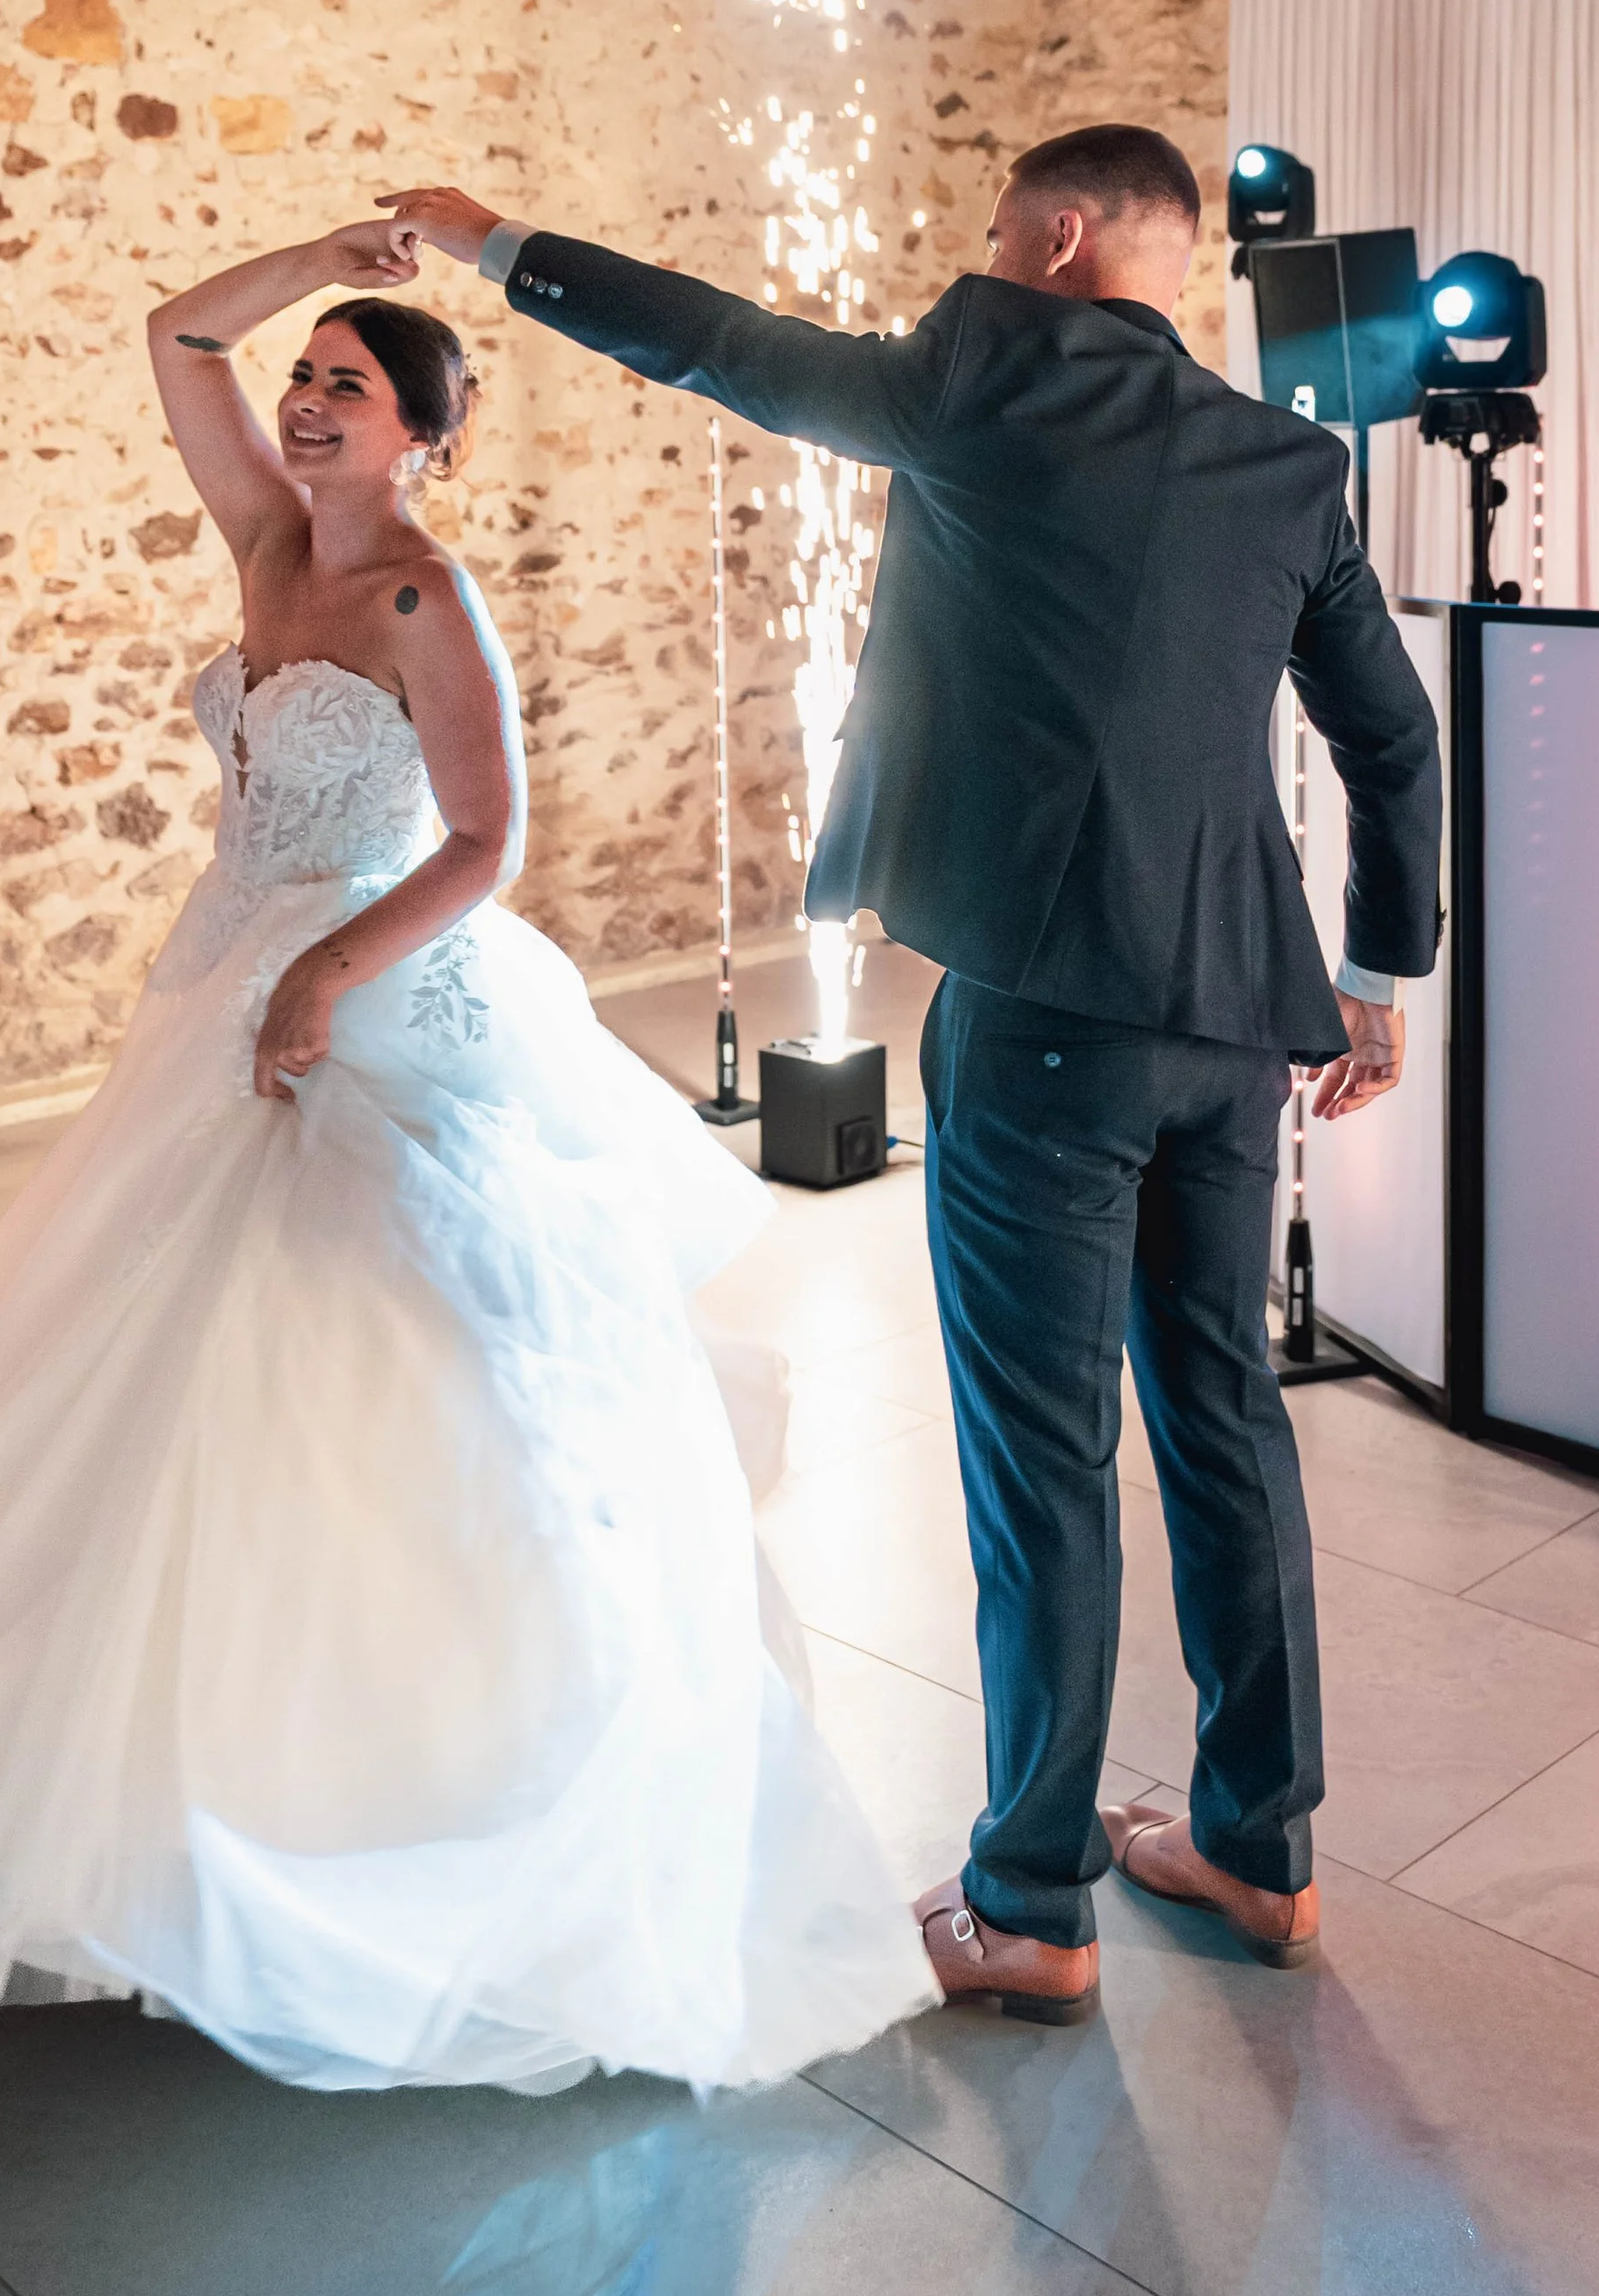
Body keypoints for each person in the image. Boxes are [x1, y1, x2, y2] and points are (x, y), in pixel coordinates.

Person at [0, 225, 937, 2093]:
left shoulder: (422, 601)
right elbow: (175, 332)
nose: (309, 402)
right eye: (309, 377)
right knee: (144, 1359)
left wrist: (324, 972)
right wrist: (326, 258)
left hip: (381, 989)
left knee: (398, 1342)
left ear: (423, 440)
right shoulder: (262, 540)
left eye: (349, 385)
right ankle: (138, 1791)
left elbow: (484, 842)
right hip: (220, 977)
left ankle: (397, 1776)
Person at [373, 133, 1442, 2022]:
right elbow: (1390, 730)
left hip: (1042, 1013)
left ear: (1054, 236)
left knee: (1042, 1462)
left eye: (991, 234)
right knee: (1221, 1424)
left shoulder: (983, 366)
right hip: (1228, 1027)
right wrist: (1371, 976)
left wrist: (493, 244)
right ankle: (1259, 1852)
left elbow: (723, 343)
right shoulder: (1288, 463)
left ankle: (1027, 1899)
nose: (980, 259)